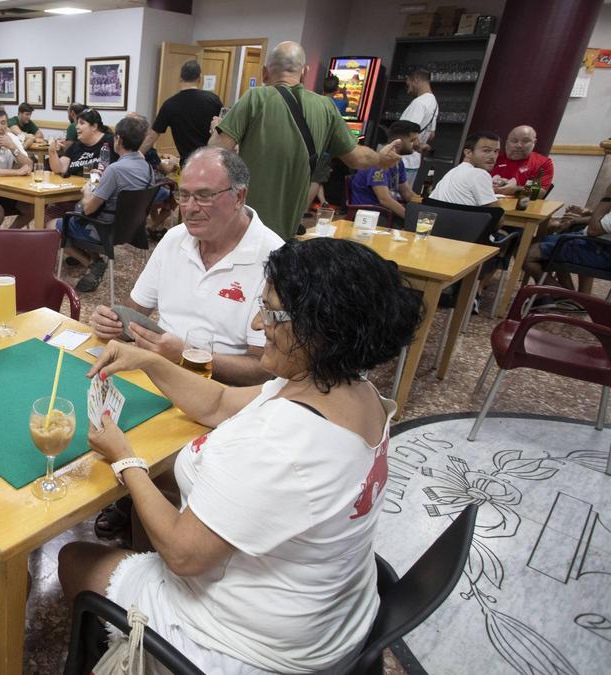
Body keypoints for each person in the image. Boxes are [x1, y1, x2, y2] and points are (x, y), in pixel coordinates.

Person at [59, 236, 420, 675]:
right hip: (327, 620)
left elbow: (182, 554)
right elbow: (217, 404)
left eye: (270, 312)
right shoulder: (349, 388)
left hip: (251, 650)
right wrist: (149, 362)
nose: (255, 322)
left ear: (321, 329)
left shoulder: (282, 443)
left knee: (74, 559)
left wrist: (125, 458)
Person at [88, 146, 280, 384]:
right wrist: (111, 322)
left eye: (204, 196)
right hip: (159, 371)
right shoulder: (174, 238)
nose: (190, 208)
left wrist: (186, 356)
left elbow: (263, 368)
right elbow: (135, 311)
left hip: (223, 391)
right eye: (184, 195)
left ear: (239, 197)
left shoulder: (274, 259)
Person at [215, 41, 401, 240]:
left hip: (245, 225)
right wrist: (381, 158)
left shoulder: (254, 98)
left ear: (265, 73)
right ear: (304, 72)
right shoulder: (326, 107)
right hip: (287, 230)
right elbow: (358, 158)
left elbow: (215, 153)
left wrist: (217, 129)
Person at [54, 115, 154, 292]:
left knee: (53, 225)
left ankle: (92, 262)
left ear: (119, 140)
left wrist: (87, 190)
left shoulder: (115, 170)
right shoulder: (147, 168)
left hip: (106, 231)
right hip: (132, 229)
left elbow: (88, 207)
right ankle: (93, 261)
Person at [524, 183, 611, 290]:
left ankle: (567, 299)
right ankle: (567, 296)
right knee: (545, 240)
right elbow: (604, 220)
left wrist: (607, 198)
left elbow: (593, 230)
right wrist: (577, 219)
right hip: (596, 243)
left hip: (601, 250)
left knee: (529, 255)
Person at [140, 59, 223, 164]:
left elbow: (152, 137)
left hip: (188, 163)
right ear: (200, 78)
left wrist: (135, 156)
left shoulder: (170, 104)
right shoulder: (213, 100)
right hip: (212, 161)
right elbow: (223, 130)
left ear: (180, 78)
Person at [348, 120, 420, 220]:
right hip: (370, 217)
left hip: (384, 213)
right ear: (399, 142)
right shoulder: (377, 163)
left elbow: (406, 192)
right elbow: (385, 199)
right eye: (412, 140)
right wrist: (412, 219)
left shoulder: (398, 162)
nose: (417, 144)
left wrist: (424, 203)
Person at [428, 131, 501, 208]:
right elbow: (496, 214)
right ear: (468, 153)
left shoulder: (452, 172)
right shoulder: (479, 174)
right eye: (486, 151)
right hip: (457, 219)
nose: (493, 156)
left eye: (496, 151)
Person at [46, 108, 115, 178]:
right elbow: (60, 169)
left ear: (94, 126)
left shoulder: (111, 142)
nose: (77, 127)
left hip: (97, 187)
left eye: (82, 123)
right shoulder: (76, 145)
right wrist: (52, 151)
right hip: (74, 186)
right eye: (77, 123)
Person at [399, 69, 438, 188]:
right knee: (402, 197)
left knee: (390, 197)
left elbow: (407, 132)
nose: (408, 89)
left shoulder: (420, 103)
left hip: (402, 160)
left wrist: (415, 144)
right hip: (414, 161)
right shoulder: (434, 103)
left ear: (415, 80)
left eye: (408, 84)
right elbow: (431, 134)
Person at [492, 125, 554, 195]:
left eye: (525, 141)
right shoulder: (493, 158)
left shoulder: (543, 162)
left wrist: (516, 189)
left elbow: (541, 192)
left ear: (534, 143)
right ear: (507, 143)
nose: (519, 145)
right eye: (514, 141)